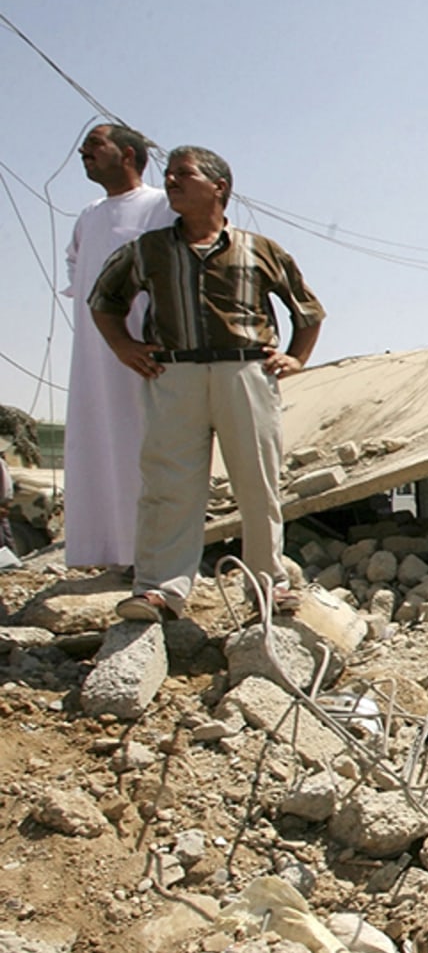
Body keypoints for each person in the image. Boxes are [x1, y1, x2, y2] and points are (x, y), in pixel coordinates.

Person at [90, 146, 325, 622]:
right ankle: (159, 589)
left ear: (219, 187)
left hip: (245, 373)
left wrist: (295, 358)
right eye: (169, 174)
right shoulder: (147, 250)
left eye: (184, 174)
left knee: (257, 484)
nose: (171, 181)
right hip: (172, 374)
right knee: (168, 483)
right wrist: (123, 347)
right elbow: (104, 299)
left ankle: (267, 586)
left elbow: (308, 311)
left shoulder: (260, 250)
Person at [62, 124, 175, 568]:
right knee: (96, 442)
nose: (83, 152)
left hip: (144, 350)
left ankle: (148, 556)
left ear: (128, 154)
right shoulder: (89, 215)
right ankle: (104, 552)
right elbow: (77, 267)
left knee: (141, 445)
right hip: (93, 353)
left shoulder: (161, 206)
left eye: (94, 145)